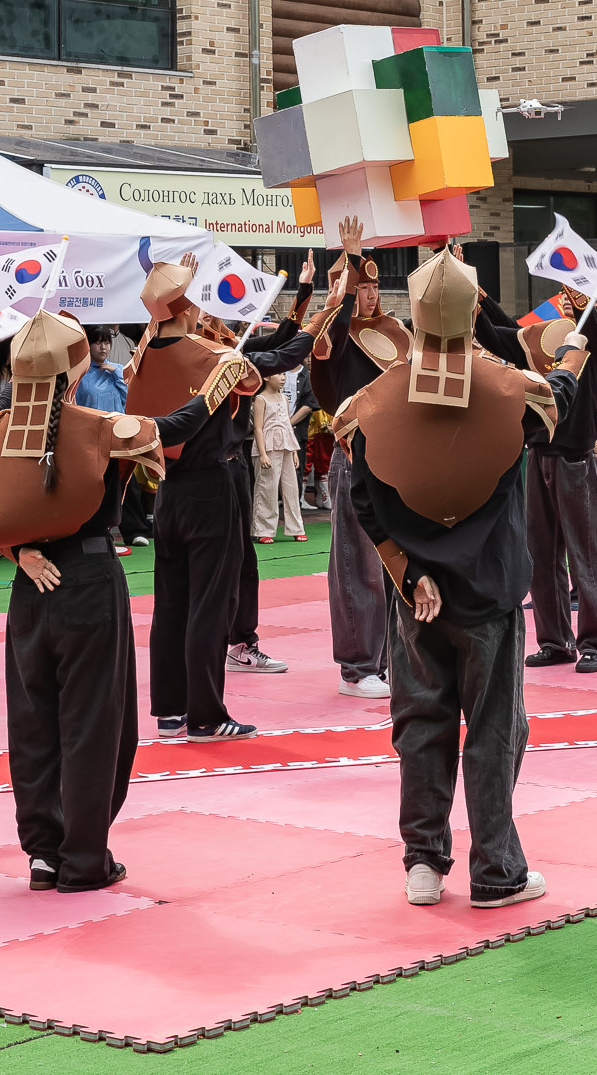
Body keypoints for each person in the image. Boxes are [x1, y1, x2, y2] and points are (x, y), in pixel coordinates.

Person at [336, 249, 578, 910]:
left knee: (421, 721)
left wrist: (410, 572)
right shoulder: (509, 388)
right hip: (488, 588)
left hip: (415, 594)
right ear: (475, 309)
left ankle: (423, 860)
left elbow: (364, 501)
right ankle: (496, 869)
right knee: (496, 728)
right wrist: (576, 350)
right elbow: (558, 400)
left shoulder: (373, 400)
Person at [0, 311, 212, 892]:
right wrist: (216, 386)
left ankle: (43, 855)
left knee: (33, 724)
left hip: (30, 588)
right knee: (93, 726)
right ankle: (84, 856)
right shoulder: (100, 426)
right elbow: (170, 427)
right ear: (74, 373)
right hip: (90, 581)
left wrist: (18, 551)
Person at [129, 255, 311, 735]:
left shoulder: (141, 357)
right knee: (210, 604)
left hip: (167, 491)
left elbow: (160, 332)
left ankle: (170, 711)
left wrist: (175, 290)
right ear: (189, 306)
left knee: (170, 605)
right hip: (211, 487)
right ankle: (206, 716)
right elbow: (272, 362)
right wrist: (321, 320)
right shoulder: (211, 357)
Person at [495, 279, 597, 674]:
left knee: (586, 554)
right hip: (538, 455)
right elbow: (501, 333)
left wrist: (593, 299)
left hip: (575, 459)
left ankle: (595, 644)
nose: (569, 301)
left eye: (576, 295)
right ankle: (554, 641)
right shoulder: (545, 337)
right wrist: (478, 295)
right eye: (566, 294)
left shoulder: (595, 340)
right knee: (539, 553)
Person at [309, 230, 410, 697]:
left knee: (396, 558)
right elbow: (328, 345)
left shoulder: (396, 331)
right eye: (360, 285)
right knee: (356, 561)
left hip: (397, 457)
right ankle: (357, 665)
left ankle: (388, 658)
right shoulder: (335, 332)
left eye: (373, 286)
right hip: (354, 454)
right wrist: (347, 259)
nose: (368, 294)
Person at [250, 369, 307, 542]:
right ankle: (263, 529)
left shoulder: (285, 399)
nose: (283, 378)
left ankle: (296, 527)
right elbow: (258, 428)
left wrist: (294, 450)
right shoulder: (260, 399)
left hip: (286, 446)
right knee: (267, 487)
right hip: (268, 447)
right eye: (279, 374)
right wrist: (263, 453)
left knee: (291, 487)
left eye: (284, 375)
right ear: (266, 377)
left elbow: (287, 425)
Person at [74, 327, 129, 414]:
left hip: (117, 424)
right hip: (91, 424)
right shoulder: (81, 373)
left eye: (106, 343)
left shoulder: (119, 369)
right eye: (98, 343)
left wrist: (116, 373)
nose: (103, 347)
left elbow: (130, 399)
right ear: (88, 345)